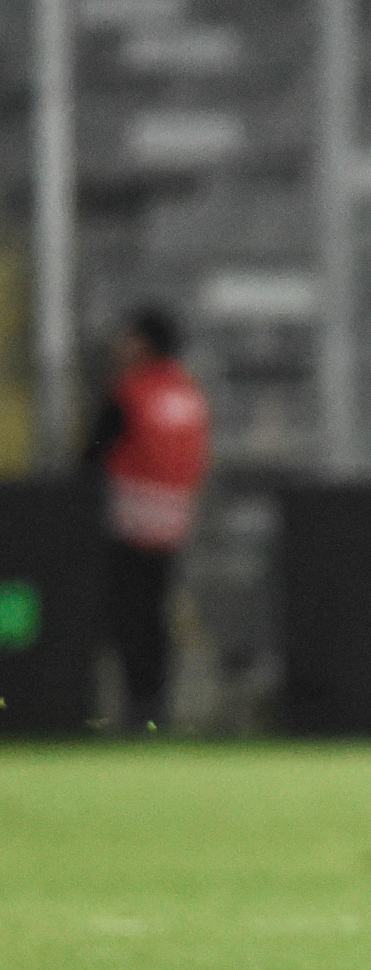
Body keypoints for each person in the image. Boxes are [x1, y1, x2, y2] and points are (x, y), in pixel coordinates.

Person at [82, 307, 209, 732]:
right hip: (172, 524)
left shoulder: (132, 390)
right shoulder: (188, 393)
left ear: (144, 342)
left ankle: (126, 706)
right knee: (155, 618)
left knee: (123, 617)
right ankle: (156, 707)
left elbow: (94, 451)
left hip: (125, 523)